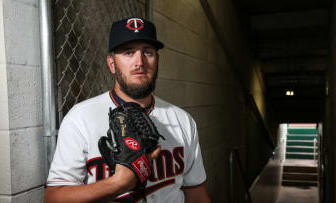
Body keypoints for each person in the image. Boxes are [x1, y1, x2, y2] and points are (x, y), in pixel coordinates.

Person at [44, 17, 211, 203]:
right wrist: (119, 183)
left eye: (147, 52)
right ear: (112, 63)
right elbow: (54, 198)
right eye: (128, 53)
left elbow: (196, 194)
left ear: (157, 60)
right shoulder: (81, 118)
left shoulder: (182, 120)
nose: (139, 62)